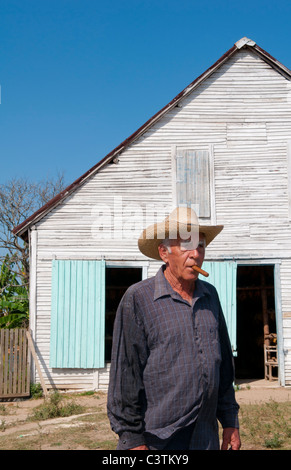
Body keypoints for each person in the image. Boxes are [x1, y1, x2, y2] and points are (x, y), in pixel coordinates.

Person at [107, 207, 241, 450]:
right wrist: (132, 440)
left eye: (200, 246)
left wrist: (230, 421)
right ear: (164, 253)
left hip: (205, 435)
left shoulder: (210, 296)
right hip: (158, 439)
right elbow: (126, 375)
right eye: (186, 246)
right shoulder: (139, 298)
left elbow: (223, 369)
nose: (195, 254)